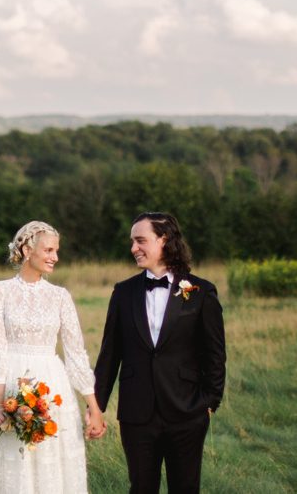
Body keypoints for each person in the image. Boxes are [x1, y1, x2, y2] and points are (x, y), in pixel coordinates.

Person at [90, 212, 226, 494]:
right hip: (136, 414)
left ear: (164, 240)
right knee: (141, 488)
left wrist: (209, 403)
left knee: (185, 488)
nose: (133, 248)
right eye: (132, 242)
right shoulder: (123, 292)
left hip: (187, 412)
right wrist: (96, 408)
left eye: (141, 240)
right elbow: (109, 355)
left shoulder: (201, 291)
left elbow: (215, 354)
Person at [0, 221, 106, 494]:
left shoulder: (60, 296)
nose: (55, 257)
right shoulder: (0, 291)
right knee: (10, 462)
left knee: (50, 464)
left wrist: (94, 407)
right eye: (49, 250)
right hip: (7, 384)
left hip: (52, 385)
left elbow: (76, 353)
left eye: (57, 250)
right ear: (27, 249)